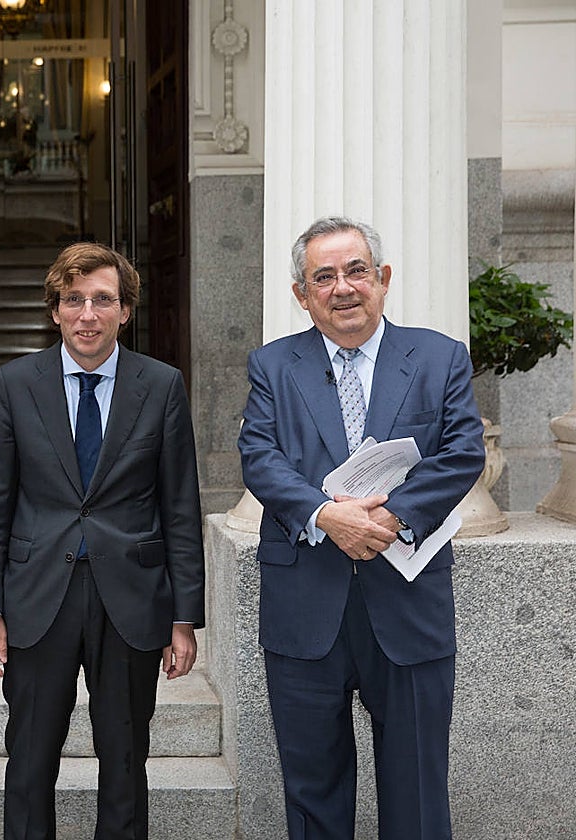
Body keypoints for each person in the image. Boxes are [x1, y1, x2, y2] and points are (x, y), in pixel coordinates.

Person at [238, 216, 485, 840]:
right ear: (302, 294)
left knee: (417, 790)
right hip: (305, 605)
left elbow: (462, 452)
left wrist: (390, 517)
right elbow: (260, 457)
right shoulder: (272, 365)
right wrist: (326, 516)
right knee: (312, 792)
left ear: (383, 278)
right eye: (324, 277)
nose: (343, 288)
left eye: (356, 271)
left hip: (407, 604)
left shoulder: (440, 357)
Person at [0, 242, 206, 839]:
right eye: (73, 300)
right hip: (36, 596)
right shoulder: (16, 383)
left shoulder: (162, 385)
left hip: (131, 598)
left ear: (125, 310)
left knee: (124, 760)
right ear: (55, 310)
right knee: (29, 759)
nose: (88, 314)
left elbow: (180, 508)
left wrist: (184, 618)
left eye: (103, 299)